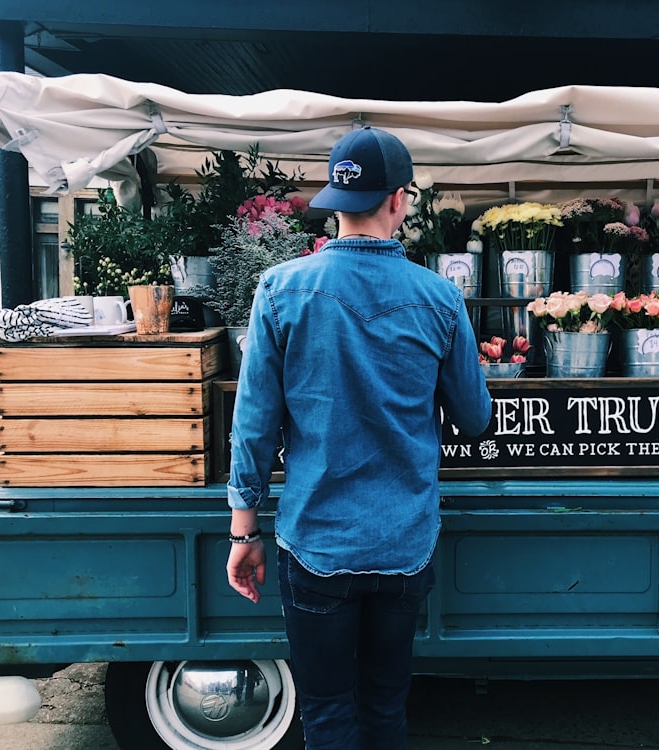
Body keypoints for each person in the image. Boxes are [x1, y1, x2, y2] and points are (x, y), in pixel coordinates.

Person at [225, 125, 492, 750]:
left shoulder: (282, 289)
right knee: (384, 705)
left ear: (334, 202)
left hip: (316, 539)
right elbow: (475, 419)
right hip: (404, 542)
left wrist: (244, 531)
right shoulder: (439, 298)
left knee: (325, 711)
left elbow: (255, 422)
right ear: (400, 200)